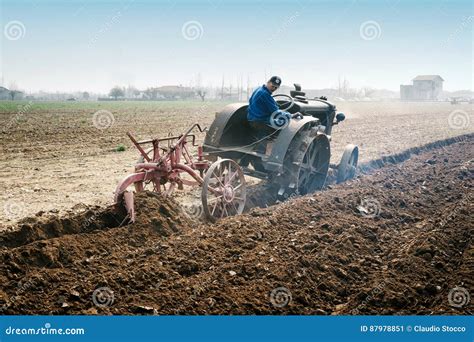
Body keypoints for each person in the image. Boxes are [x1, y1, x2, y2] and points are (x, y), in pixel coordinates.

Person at [247, 76, 289, 154]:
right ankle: (268, 152)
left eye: (276, 87)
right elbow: (275, 111)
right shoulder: (265, 94)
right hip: (259, 120)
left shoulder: (259, 89)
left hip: (252, 118)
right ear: (268, 83)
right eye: (272, 86)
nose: (273, 88)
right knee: (283, 128)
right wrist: (290, 115)